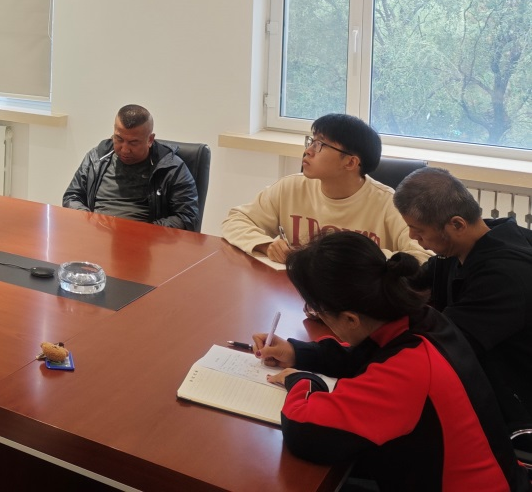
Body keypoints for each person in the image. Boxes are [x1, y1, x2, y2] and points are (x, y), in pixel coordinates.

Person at [254, 232, 521, 491]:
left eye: (317, 311)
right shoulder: (421, 320)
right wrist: (297, 353)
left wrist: (301, 380)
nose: (316, 316)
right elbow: (364, 354)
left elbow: (305, 432)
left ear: (350, 319)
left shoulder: (408, 370)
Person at [394, 166, 532, 430]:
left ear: (457, 224)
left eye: (417, 229)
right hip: (483, 378)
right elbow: (412, 284)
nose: (412, 237)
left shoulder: (504, 277)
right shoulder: (460, 248)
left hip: (513, 406)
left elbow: (442, 343)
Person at [222, 113, 427, 262]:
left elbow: (424, 256)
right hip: (297, 291)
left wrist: (363, 258)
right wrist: (265, 245)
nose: (308, 151)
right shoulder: (290, 187)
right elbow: (235, 220)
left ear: (350, 162)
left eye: (320, 145)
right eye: (311, 142)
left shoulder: (389, 204)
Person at [61, 104, 199, 230]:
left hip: (144, 241)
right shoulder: (97, 157)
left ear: (150, 140)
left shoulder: (171, 167)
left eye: (133, 143)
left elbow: (187, 218)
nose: (125, 149)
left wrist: (142, 231)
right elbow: (72, 197)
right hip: (97, 234)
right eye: (119, 139)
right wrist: (90, 219)